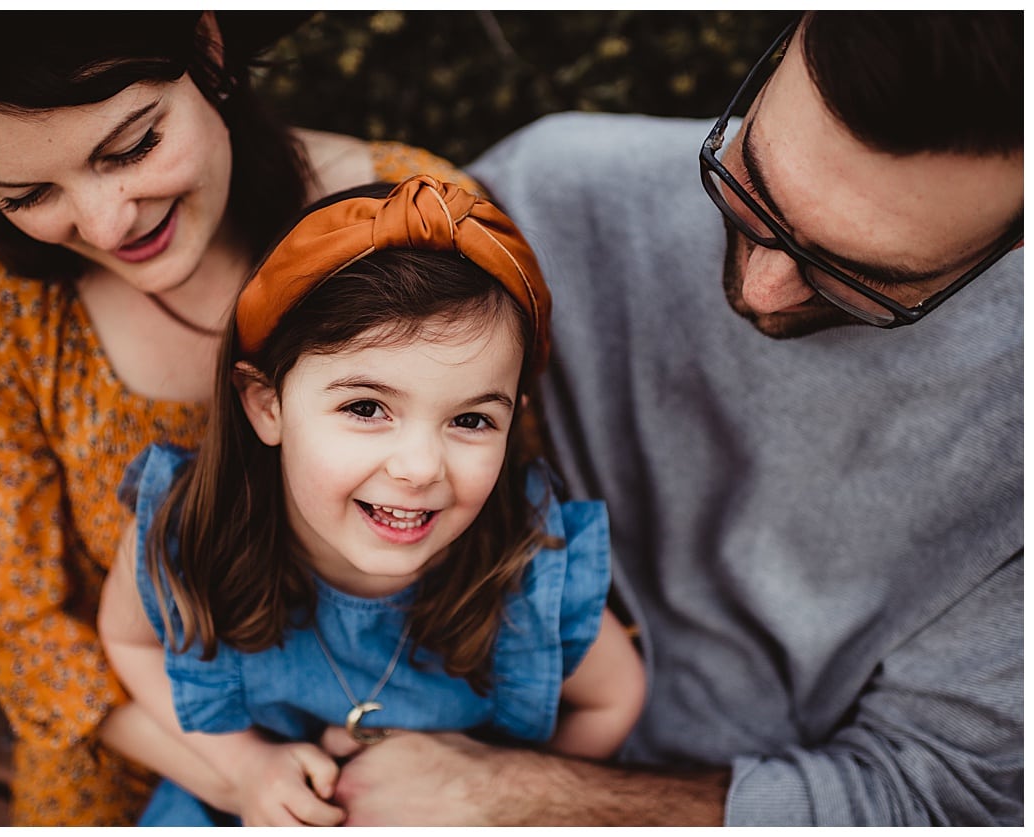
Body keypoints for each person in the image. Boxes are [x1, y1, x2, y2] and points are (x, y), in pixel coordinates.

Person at [329, 12, 1022, 826]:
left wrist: (516, 798)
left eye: (859, 278)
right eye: (750, 184)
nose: (760, 289)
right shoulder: (553, 193)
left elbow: (941, 797)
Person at [0, 12, 482, 824]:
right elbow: (18, 619)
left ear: (208, 43)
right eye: (28, 194)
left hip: (409, 724)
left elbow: (507, 499)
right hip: (136, 737)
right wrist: (240, 775)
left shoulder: (420, 218)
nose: (105, 223)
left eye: (131, 147)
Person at [96, 176, 645, 826]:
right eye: (366, 407)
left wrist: (503, 793)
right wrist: (243, 765)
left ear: (511, 421)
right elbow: (129, 641)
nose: (418, 468)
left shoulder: (523, 573)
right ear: (267, 405)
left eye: (471, 420)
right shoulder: (190, 530)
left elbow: (615, 695)